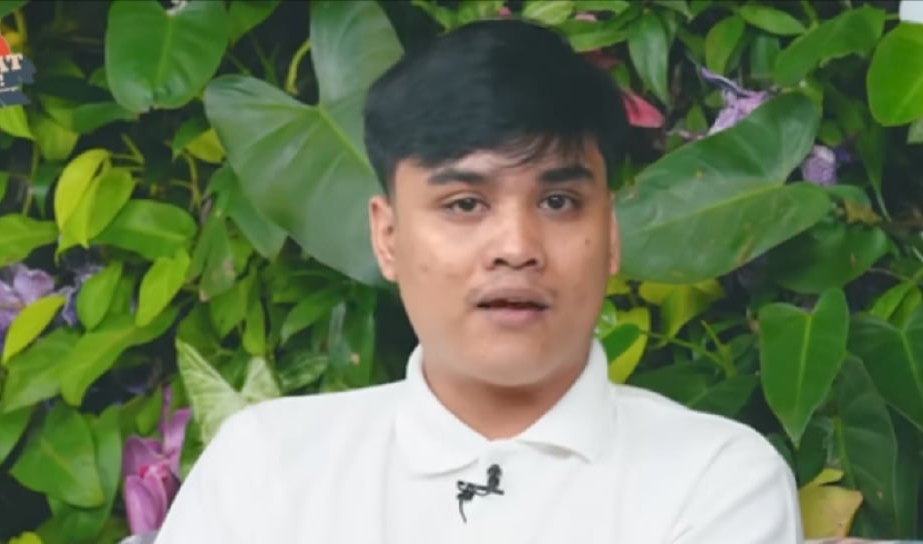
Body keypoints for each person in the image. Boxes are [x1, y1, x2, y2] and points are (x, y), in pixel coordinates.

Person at [155, 17, 803, 544]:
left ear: (610, 235)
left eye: (558, 202)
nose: (516, 248)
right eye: (465, 204)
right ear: (388, 237)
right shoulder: (268, 467)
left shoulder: (715, 481)